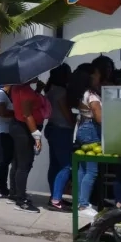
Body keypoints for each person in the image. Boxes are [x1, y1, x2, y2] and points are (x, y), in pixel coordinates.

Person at [7, 79, 48, 213]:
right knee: (24, 164)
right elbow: (27, 114)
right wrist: (36, 136)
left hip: (19, 127)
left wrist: (37, 91)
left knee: (18, 163)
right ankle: (21, 200)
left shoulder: (19, 87)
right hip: (24, 129)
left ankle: (15, 193)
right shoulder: (24, 91)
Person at [68, 64, 103, 218]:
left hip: (83, 129)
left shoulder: (82, 93)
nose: (99, 77)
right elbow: (99, 117)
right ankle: (83, 204)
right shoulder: (92, 96)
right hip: (91, 132)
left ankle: (80, 202)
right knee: (92, 170)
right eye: (96, 74)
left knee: (82, 169)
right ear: (90, 77)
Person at [44, 64, 76, 210]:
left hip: (52, 127)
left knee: (55, 165)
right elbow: (67, 115)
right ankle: (56, 199)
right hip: (62, 130)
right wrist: (75, 120)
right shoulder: (61, 91)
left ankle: (54, 196)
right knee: (66, 166)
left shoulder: (50, 90)